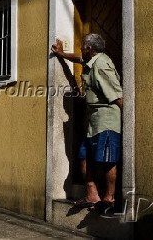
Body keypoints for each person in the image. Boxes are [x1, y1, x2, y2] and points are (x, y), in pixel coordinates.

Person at [51, 34, 123, 210]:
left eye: (83, 46)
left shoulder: (101, 66)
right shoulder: (92, 60)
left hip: (106, 119)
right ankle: (92, 195)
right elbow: (79, 58)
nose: (82, 49)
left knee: (107, 160)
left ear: (89, 48)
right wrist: (61, 54)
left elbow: (117, 96)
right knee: (84, 156)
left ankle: (109, 198)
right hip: (93, 120)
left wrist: (129, 123)